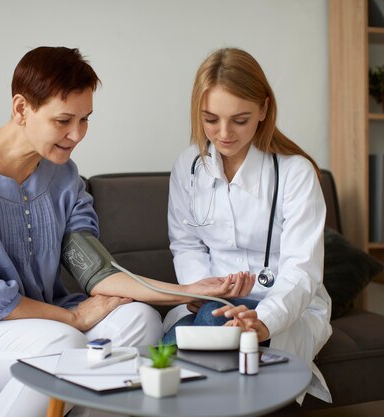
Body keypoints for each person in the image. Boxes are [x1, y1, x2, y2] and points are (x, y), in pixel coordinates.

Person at [0, 46, 247, 417]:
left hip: (41, 324)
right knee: (63, 344)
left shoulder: (63, 175)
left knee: (140, 320)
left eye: (85, 120)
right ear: (21, 109)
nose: (77, 134)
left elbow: (95, 271)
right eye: (63, 121)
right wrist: (73, 318)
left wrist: (184, 292)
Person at [163, 48, 333, 403]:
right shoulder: (188, 166)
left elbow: (301, 270)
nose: (223, 134)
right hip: (210, 299)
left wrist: (263, 320)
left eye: (239, 120)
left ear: (263, 109)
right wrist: (200, 292)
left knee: (204, 332)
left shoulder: (295, 173)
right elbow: (186, 244)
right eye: (210, 119)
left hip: (281, 303)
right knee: (174, 338)